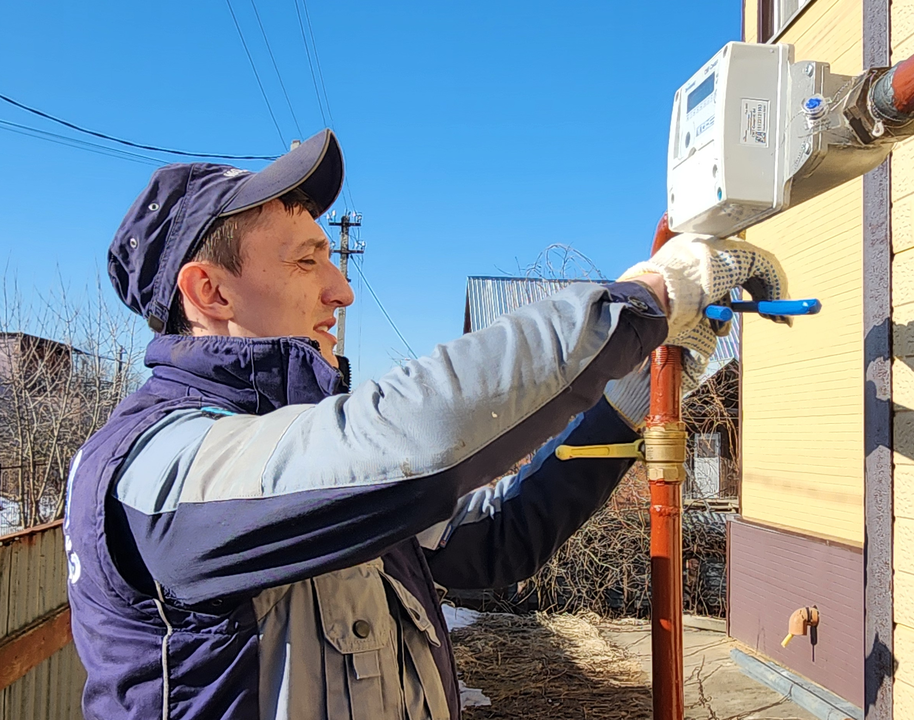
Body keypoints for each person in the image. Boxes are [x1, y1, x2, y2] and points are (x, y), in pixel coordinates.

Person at [65, 129, 788, 720]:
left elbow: (494, 538)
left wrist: (627, 403)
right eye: (306, 260)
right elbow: (412, 447)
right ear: (210, 290)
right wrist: (649, 297)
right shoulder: (152, 469)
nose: (340, 287)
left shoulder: (310, 464)